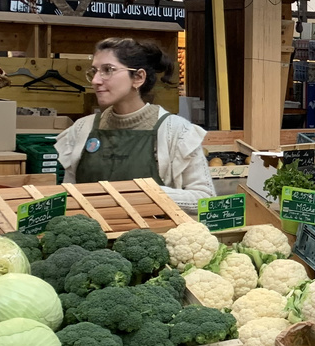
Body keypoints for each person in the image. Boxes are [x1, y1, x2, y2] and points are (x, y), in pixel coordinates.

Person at [56, 38, 215, 214]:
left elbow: (205, 199)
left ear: (138, 77)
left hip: (154, 230)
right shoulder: (81, 129)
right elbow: (68, 197)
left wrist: (146, 194)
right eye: (94, 71)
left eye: (108, 70)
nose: (95, 80)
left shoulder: (177, 131)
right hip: (91, 230)